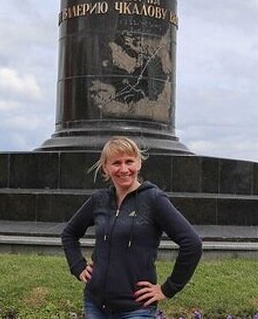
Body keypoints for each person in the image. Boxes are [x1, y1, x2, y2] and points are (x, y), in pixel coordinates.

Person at [62, 136, 201, 318]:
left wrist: (168, 289)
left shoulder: (154, 200)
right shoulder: (99, 200)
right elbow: (69, 234)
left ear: (139, 164)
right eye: (116, 163)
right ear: (106, 167)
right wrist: (77, 266)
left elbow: (192, 244)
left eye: (129, 161)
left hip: (136, 309)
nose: (124, 169)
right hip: (95, 305)